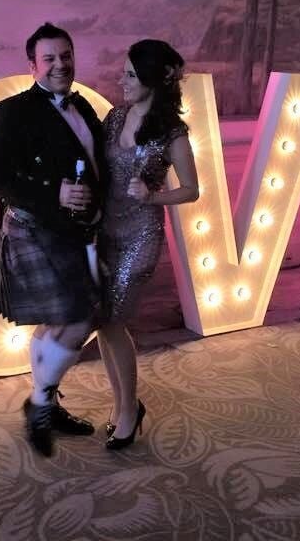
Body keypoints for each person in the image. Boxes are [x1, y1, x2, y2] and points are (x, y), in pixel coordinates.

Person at [0, 22, 108, 457]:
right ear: (31, 65)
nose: (60, 65)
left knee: (61, 318)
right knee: (79, 315)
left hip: (78, 229)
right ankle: (39, 403)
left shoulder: (85, 106)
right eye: (50, 58)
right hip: (34, 226)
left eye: (66, 55)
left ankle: (45, 403)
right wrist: (53, 191)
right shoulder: (10, 111)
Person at [97, 38, 199, 450]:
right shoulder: (114, 117)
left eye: (131, 75)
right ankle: (124, 404)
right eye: (123, 71)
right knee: (104, 322)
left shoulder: (172, 132)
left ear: (154, 81)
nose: (121, 80)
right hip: (104, 232)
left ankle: (128, 409)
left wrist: (153, 196)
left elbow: (191, 190)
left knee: (113, 320)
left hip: (140, 236)